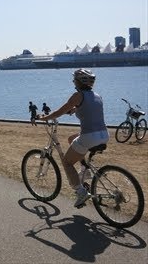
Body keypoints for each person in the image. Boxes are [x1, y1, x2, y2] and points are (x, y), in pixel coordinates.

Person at [38, 68, 109, 208]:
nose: (73, 81)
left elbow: (59, 111)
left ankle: (80, 192)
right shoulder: (97, 95)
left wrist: (44, 118)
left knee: (67, 162)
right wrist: (75, 109)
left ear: (78, 82)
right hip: (104, 135)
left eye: (74, 79)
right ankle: (85, 169)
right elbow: (90, 109)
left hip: (89, 137)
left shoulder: (77, 95)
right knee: (72, 138)